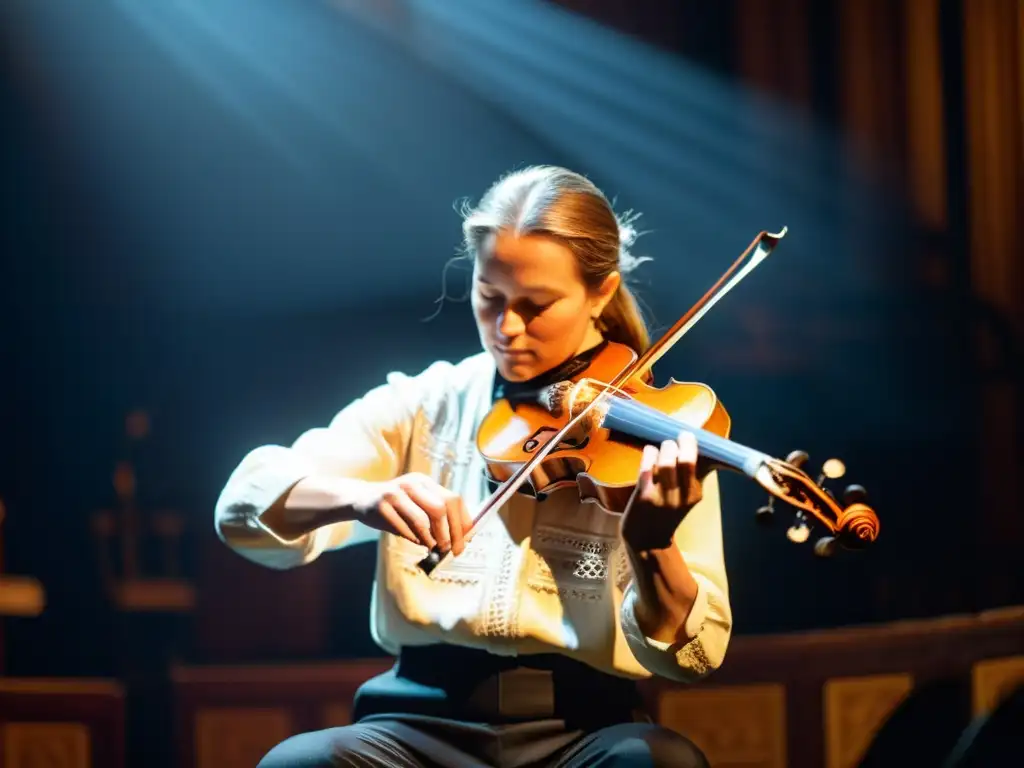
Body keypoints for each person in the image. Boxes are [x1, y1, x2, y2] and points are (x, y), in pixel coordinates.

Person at [215, 166, 732, 767]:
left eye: (536, 306)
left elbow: (694, 655)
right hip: (414, 725)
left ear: (600, 293)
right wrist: (359, 500)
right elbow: (241, 506)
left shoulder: (660, 430)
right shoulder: (425, 404)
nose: (507, 329)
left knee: (660, 763)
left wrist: (651, 547)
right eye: (489, 298)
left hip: (582, 728)